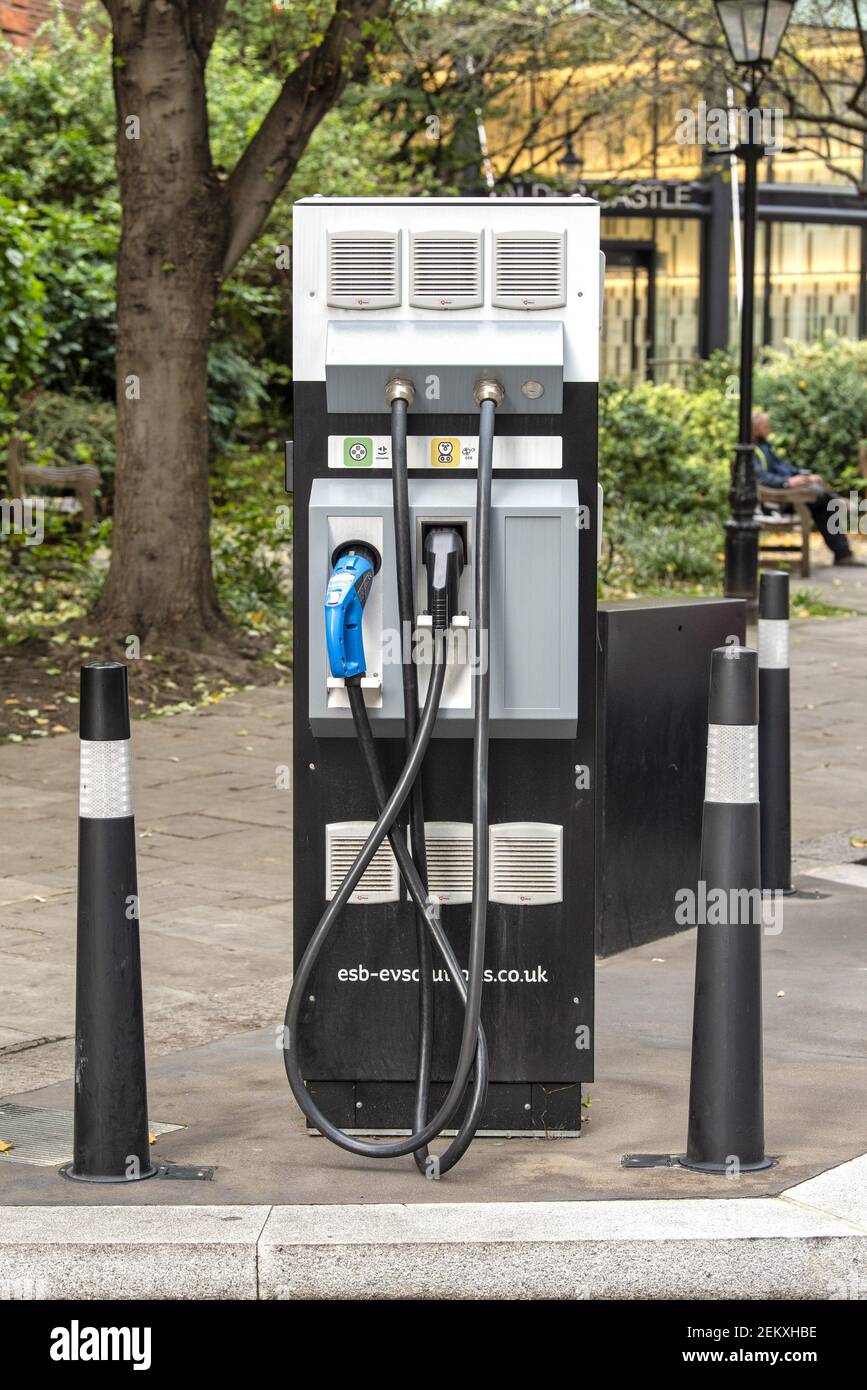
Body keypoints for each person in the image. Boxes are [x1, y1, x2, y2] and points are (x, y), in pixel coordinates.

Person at [752, 412, 864, 567]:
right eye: (766, 426)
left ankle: (843, 554)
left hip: (786, 495)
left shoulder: (765, 447)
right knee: (823, 501)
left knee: (823, 503)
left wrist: (804, 476)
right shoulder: (752, 451)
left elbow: (785, 468)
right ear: (755, 428)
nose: (769, 429)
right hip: (775, 502)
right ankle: (836, 502)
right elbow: (761, 478)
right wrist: (787, 482)